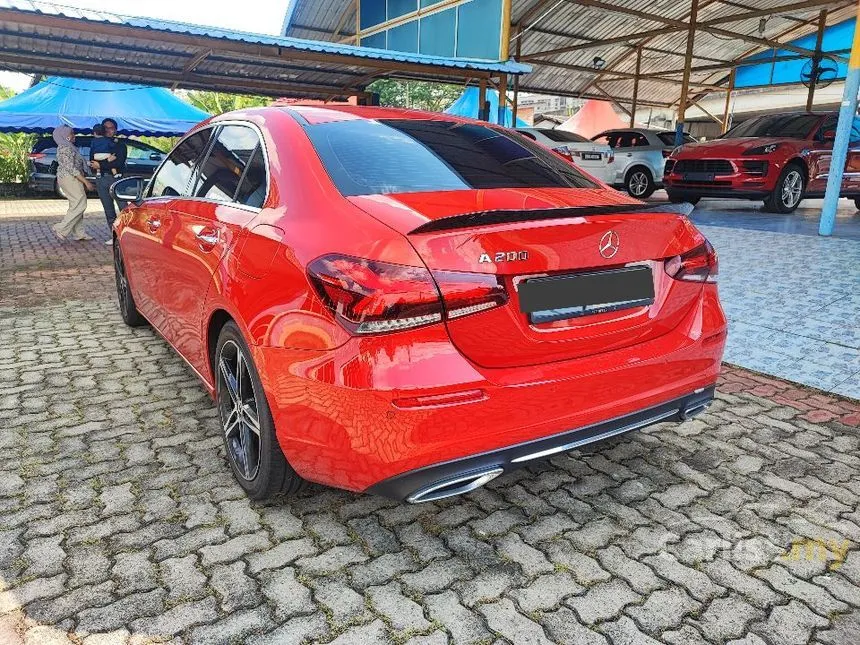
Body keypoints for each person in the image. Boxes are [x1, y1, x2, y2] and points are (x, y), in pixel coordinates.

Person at [51, 125, 95, 242]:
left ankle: (79, 233)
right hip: (69, 178)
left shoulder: (69, 147)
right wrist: (86, 182)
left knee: (75, 204)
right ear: (66, 137)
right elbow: (71, 168)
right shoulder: (65, 148)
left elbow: (77, 163)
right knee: (81, 203)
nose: (74, 136)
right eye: (72, 134)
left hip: (69, 177)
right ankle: (61, 228)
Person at [90, 117, 128, 244]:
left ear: (115, 130)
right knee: (108, 209)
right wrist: (103, 164)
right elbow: (92, 161)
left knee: (123, 208)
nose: (107, 131)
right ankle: (114, 235)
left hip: (116, 179)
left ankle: (127, 234)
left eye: (111, 128)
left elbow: (118, 162)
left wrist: (101, 165)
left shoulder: (119, 145)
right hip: (101, 179)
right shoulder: (96, 142)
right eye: (105, 128)